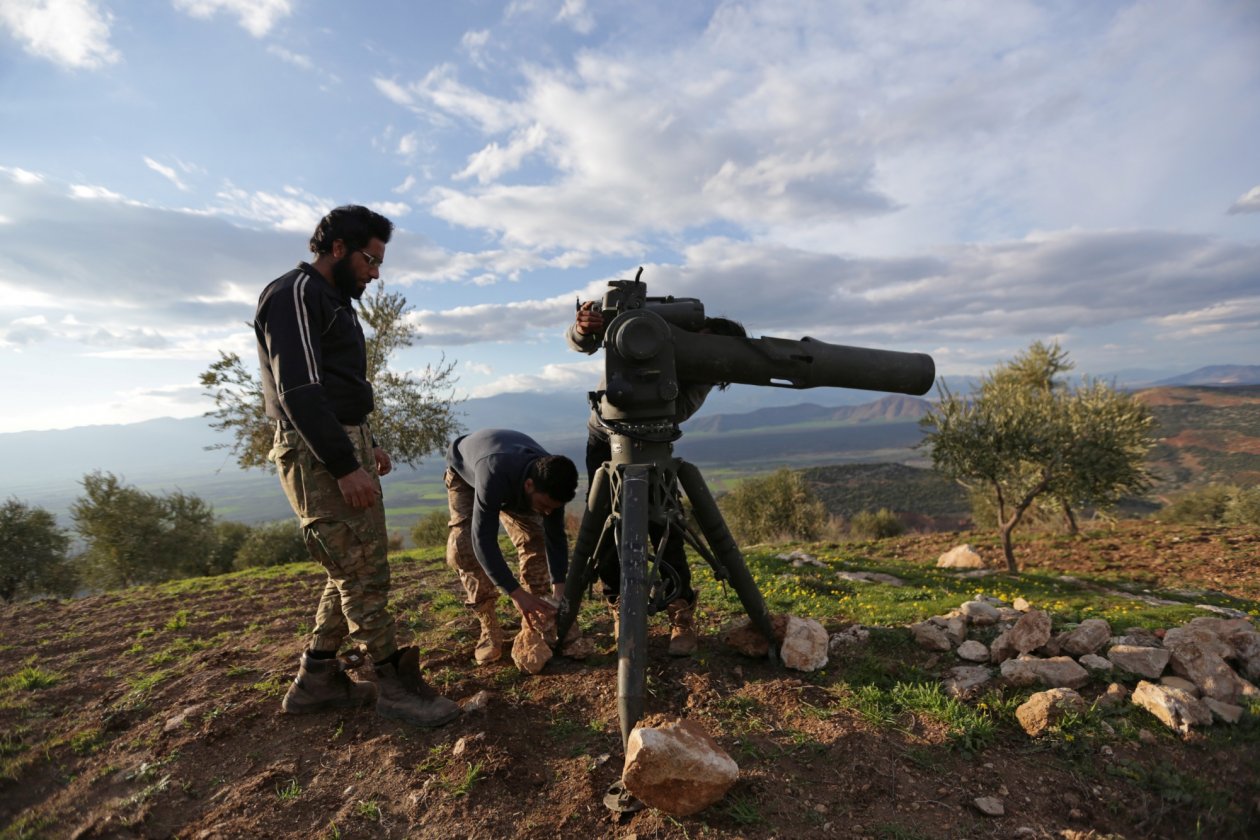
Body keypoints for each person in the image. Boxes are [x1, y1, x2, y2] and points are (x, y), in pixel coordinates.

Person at [256, 204, 459, 728]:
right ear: (338, 249)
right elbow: (298, 391)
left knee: (352, 565)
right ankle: (394, 686)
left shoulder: (332, 301)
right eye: (370, 259)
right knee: (364, 573)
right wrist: (344, 464)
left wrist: (367, 443)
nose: (375, 272)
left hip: (340, 445)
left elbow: (336, 387)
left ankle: (317, 680)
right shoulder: (295, 293)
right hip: (315, 454)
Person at [566, 301, 746, 655]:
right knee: (605, 525)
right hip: (605, 439)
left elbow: (677, 409)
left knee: (665, 526)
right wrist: (584, 328)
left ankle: (680, 610)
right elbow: (583, 341)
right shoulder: (651, 329)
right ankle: (620, 605)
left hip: (653, 443)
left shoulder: (702, 373)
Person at [444, 428, 585, 665]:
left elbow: (555, 538)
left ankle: (540, 621)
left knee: (536, 539)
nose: (548, 512)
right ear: (530, 485)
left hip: (512, 478)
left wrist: (559, 589)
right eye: (544, 505)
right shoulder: (494, 473)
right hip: (467, 474)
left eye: (554, 508)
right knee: (464, 548)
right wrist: (516, 593)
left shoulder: (553, 480)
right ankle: (488, 625)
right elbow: (484, 540)